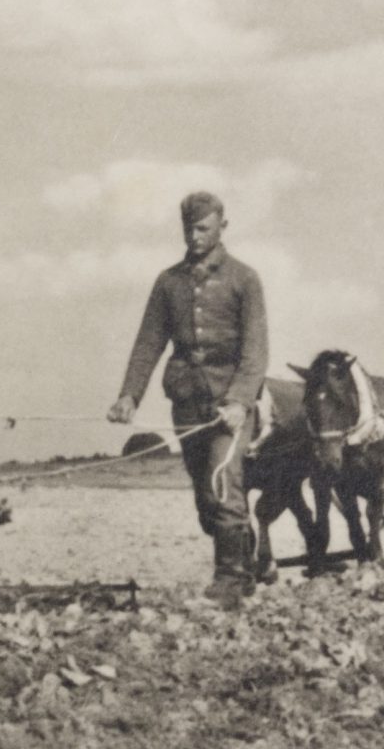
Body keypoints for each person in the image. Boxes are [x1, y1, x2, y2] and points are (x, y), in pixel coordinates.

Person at [108, 191, 270, 608]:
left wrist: (239, 401)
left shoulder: (244, 279)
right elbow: (149, 342)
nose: (195, 236)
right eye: (189, 228)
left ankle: (229, 582)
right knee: (205, 500)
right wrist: (129, 395)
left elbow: (255, 350)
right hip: (186, 401)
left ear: (222, 228)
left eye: (203, 228)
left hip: (229, 404)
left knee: (222, 485)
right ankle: (246, 559)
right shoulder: (169, 282)